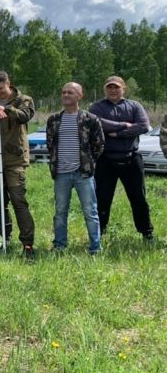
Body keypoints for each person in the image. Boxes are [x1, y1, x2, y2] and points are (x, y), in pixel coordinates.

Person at [0, 71, 36, 258]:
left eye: (1, 89)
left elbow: (25, 116)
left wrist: (5, 109)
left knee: (18, 200)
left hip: (14, 159)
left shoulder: (23, 99)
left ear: (9, 84)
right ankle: (5, 238)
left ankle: (27, 243)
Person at [88, 76, 153, 241]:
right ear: (105, 89)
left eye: (116, 87)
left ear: (123, 88)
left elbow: (144, 126)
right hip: (105, 159)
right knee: (102, 198)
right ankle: (99, 234)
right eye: (109, 87)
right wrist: (125, 125)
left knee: (139, 198)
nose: (113, 90)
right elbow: (97, 123)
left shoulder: (134, 106)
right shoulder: (97, 107)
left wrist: (115, 133)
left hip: (131, 158)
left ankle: (147, 233)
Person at [46, 82, 104, 254]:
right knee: (60, 211)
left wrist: (88, 162)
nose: (65, 95)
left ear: (80, 95)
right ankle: (60, 246)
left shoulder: (90, 119)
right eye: (63, 92)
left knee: (90, 211)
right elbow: (50, 145)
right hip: (61, 174)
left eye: (70, 92)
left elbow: (99, 145)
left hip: (83, 174)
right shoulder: (54, 119)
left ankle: (95, 248)